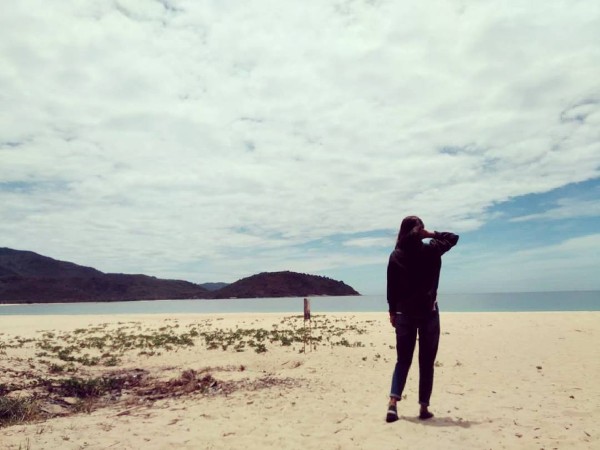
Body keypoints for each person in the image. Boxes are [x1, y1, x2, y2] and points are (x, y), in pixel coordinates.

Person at [385, 216, 459, 423]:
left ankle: (393, 404)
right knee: (426, 361)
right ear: (421, 231)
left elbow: (391, 287)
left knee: (403, 360)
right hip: (428, 313)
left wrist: (392, 312)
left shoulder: (396, 254)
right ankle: (424, 407)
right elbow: (453, 238)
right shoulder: (431, 249)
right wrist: (432, 233)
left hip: (404, 313)